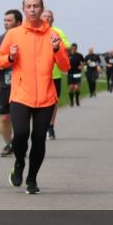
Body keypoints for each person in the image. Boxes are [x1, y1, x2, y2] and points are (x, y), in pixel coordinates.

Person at [0, 0, 70, 195]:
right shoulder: (14, 34)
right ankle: (19, 163)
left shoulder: (53, 35)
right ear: (24, 9)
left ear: (42, 8)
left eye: (36, 6)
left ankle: (32, 178)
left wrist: (56, 49)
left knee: (39, 139)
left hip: (46, 96)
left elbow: (64, 66)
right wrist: (10, 56)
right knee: (20, 134)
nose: (32, 10)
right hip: (21, 94)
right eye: (28, 6)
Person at [0, 9, 22, 157]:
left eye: (9, 20)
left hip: (22, 85)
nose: (5, 23)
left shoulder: (25, 39)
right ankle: (9, 144)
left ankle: (20, 143)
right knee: (5, 117)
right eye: (4, 20)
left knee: (20, 118)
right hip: (4, 85)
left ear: (19, 22)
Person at [40, 9, 69, 139]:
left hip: (55, 73)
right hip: (39, 73)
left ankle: (50, 126)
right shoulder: (35, 31)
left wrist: (57, 44)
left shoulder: (58, 32)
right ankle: (40, 126)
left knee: (53, 101)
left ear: (53, 19)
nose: (47, 18)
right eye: (44, 16)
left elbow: (67, 46)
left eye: (49, 16)